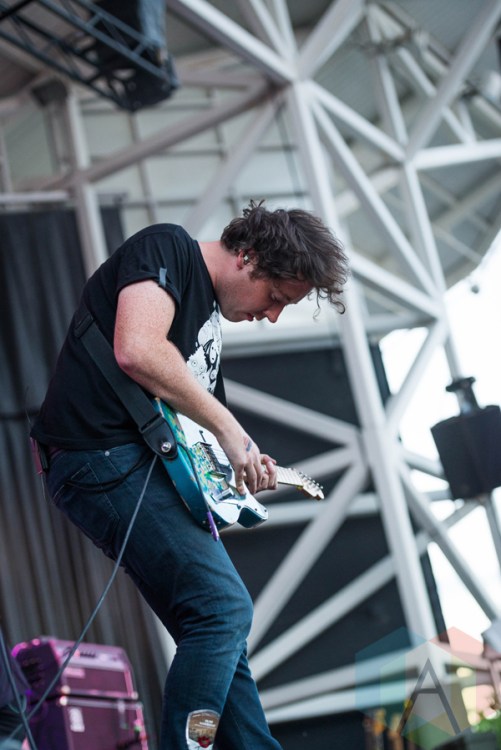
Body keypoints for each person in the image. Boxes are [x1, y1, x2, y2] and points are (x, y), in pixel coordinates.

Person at [30, 200, 349, 749]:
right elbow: (137, 349)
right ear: (248, 256)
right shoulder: (167, 247)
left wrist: (241, 467)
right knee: (224, 610)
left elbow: (194, 439)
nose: (273, 315)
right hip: (100, 456)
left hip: (131, 468)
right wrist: (230, 429)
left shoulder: (207, 325)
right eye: (276, 296)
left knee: (221, 632)